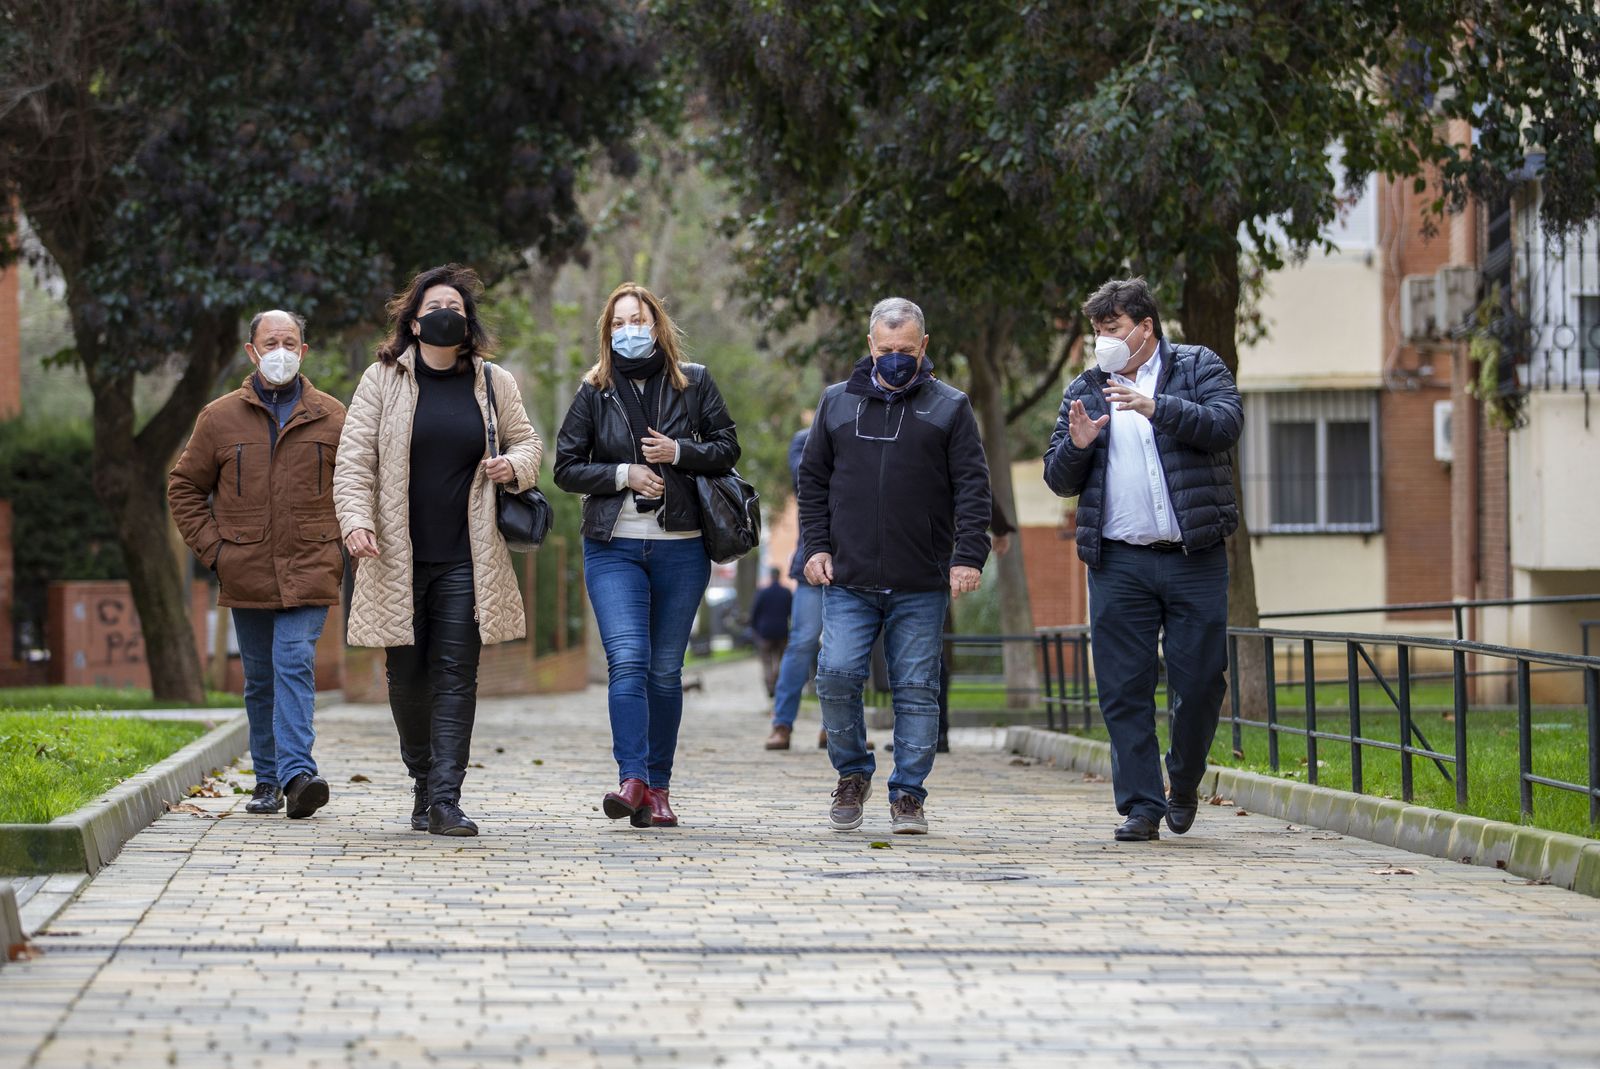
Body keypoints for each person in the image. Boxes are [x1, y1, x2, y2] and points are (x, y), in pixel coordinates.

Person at [333, 264, 542, 837]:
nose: (444, 315)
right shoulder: (380, 381)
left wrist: (514, 466)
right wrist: (355, 522)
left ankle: (446, 797)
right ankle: (422, 780)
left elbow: (528, 443)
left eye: (455, 306)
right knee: (406, 677)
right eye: (433, 308)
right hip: (393, 557)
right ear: (414, 322)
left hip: (467, 559)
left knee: (456, 674)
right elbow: (353, 462)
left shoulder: (494, 382)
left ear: (467, 321)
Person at [1042, 276, 1243, 842]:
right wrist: (1077, 447)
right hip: (1119, 563)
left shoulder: (1199, 365)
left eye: (1113, 330)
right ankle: (1141, 805)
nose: (1103, 341)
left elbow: (1227, 424)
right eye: (1098, 331)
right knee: (1123, 688)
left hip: (1194, 555)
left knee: (1202, 681)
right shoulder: (1085, 386)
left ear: (1146, 328)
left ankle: (1183, 780)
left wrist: (1158, 407)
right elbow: (1057, 478)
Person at [799, 297, 992, 835]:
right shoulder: (835, 404)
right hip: (848, 578)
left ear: (923, 346)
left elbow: (973, 488)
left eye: (906, 350)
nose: (896, 359)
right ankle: (852, 774)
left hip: (921, 580)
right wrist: (815, 547)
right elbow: (811, 481)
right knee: (835, 676)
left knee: (916, 687)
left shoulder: (950, 407)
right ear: (870, 347)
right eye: (886, 351)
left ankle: (909, 792)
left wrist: (967, 555)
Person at [553, 281, 740, 829]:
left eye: (637, 319)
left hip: (681, 550)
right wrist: (622, 473)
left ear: (657, 324)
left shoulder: (695, 382)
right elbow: (566, 465)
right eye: (618, 323)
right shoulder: (595, 390)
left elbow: (728, 447)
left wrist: (679, 452)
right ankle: (630, 778)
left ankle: (658, 789)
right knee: (628, 661)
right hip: (613, 547)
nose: (628, 330)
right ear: (607, 332)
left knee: (664, 671)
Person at [169, 309, 346, 820]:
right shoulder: (219, 417)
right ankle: (267, 781)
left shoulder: (333, 416)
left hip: (312, 564)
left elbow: (358, 486)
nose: (281, 350)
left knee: (294, 660)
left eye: (290, 341)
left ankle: (297, 775)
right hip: (244, 568)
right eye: (271, 341)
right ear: (252, 351)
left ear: (304, 351)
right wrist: (215, 551)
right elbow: (184, 487)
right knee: (260, 678)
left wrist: (339, 544)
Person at [763, 413, 828, 751]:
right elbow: (807, 483)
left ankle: (837, 728)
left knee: (847, 650)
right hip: (813, 561)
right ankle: (782, 724)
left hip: (856, 564)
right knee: (802, 642)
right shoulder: (806, 440)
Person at [748, 567, 793, 699]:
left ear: (770, 576)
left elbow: (754, 613)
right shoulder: (786, 592)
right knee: (779, 660)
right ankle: (777, 681)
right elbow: (791, 612)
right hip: (782, 632)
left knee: (766, 661)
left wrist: (755, 629)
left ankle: (770, 685)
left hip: (765, 632)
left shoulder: (762, 592)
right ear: (779, 576)